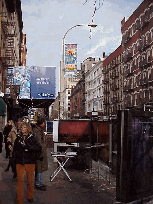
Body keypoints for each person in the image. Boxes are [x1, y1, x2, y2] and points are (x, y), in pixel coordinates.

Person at [13, 122, 42, 204]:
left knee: (30, 181)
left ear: (28, 128)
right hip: (20, 162)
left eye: (24, 127)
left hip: (30, 162)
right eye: (22, 127)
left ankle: (30, 196)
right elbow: (15, 150)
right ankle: (20, 201)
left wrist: (28, 146)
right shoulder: (18, 138)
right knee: (20, 181)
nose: (22, 129)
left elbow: (39, 148)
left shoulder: (32, 138)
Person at [32, 116, 48, 191]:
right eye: (44, 122)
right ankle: (38, 184)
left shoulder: (38, 130)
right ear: (42, 123)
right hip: (39, 153)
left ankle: (39, 182)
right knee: (39, 168)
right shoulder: (37, 131)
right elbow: (39, 143)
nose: (45, 124)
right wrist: (42, 149)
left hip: (39, 152)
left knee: (39, 168)